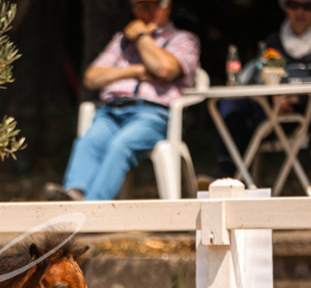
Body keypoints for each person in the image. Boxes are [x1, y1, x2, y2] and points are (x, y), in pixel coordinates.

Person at [45, 0, 200, 201]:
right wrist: (135, 70)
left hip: (153, 115)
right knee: (88, 142)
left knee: (121, 145)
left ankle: (91, 210)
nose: (147, 12)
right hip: (110, 112)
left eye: (153, 5)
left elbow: (165, 69)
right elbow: (92, 77)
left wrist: (142, 37)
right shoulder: (121, 41)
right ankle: (73, 195)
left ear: (167, 6)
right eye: (141, 6)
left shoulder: (184, 39)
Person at [213, 0, 311, 179]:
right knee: (231, 104)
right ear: (285, 7)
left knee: (247, 122)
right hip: (269, 106)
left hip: (303, 113)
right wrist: (275, 98)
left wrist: (296, 98)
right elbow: (262, 75)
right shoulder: (274, 40)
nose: (300, 12)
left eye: (308, 6)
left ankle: (235, 178)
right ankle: (228, 172)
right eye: (294, 5)